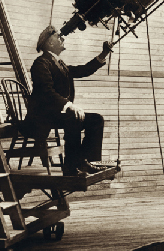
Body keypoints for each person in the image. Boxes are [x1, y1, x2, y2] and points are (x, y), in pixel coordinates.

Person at [25, 25, 112, 176]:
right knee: (73, 117)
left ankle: (87, 161)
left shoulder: (60, 64)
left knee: (96, 120)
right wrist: (69, 105)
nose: (62, 38)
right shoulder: (41, 63)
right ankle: (71, 167)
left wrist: (103, 54)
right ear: (50, 43)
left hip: (56, 114)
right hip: (41, 117)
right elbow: (47, 92)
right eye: (58, 36)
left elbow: (83, 70)